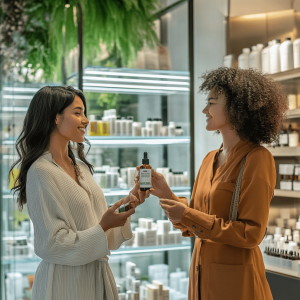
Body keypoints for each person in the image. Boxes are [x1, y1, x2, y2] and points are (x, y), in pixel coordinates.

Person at [148, 68, 288, 300]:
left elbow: (251, 233)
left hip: (237, 284)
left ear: (237, 109)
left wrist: (187, 215)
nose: (205, 110)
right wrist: (168, 195)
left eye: (211, 102)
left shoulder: (257, 158)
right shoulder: (209, 159)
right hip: (201, 278)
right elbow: (192, 220)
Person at [9, 86, 149, 300]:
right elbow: (51, 244)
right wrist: (104, 226)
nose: (85, 120)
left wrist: (131, 202)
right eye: (77, 113)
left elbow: (97, 223)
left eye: (84, 113)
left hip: (96, 276)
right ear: (56, 117)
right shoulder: (41, 171)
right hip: (66, 284)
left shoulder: (80, 167)